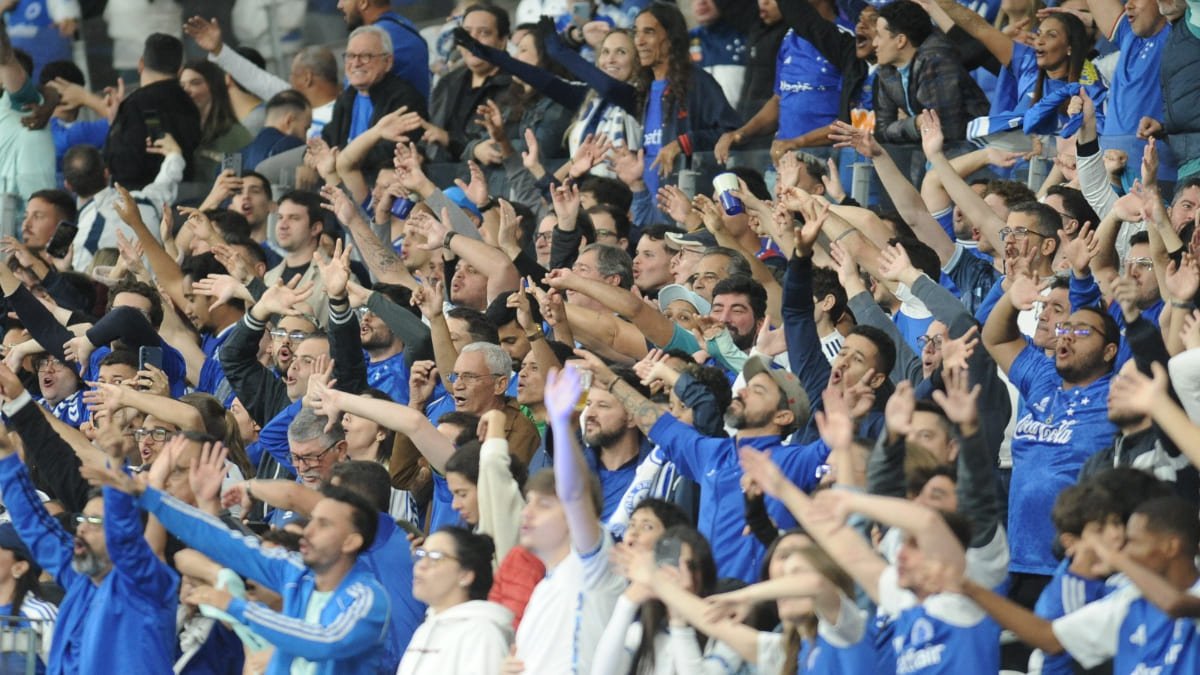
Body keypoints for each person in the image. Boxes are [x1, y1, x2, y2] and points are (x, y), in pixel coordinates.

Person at [85, 464, 391, 675]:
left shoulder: (367, 597)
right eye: (311, 520)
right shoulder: (294, 574)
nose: (309, 531)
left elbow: (324, 641)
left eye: (323, 524)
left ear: (352, 540)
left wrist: (238, 607)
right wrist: (149, 496)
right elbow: (222, 542)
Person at [0, 431, 179, 673]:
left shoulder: (144, 586)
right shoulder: (80, 580)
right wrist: (6, 457)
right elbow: (35, 526)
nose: (82, 527)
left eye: (95, 521)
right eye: (83, 518)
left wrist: (117, 473)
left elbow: (125, 537)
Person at [507, 365, 625, 674]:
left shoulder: (593, 564)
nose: (528, 512)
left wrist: (559, 424)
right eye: (529, 502)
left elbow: (574, 493)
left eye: (544, 504)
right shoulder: (544, 588)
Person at [397, 527, 513, 673]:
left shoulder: (481, 633)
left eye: (435, 557)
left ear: (465, 575)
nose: (421, 565)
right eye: (420, 555)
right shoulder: (425, 629)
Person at [872, 1, 990, 143]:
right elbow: (881, 132)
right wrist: (915, 123)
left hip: (974, 147)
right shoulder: (887, 70)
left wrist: (905, 125)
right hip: (929, 150)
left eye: (879, 35)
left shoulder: (936, 62)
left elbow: (946, 132)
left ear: (900, 41)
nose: (874, 43)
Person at [104, 33, 202, 189]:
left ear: (141, 64)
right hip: (186, 198)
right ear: (179, 70)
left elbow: (120, 163)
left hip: (141, 200)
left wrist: (115, 127)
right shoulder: (191, 105)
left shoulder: (135, 105)